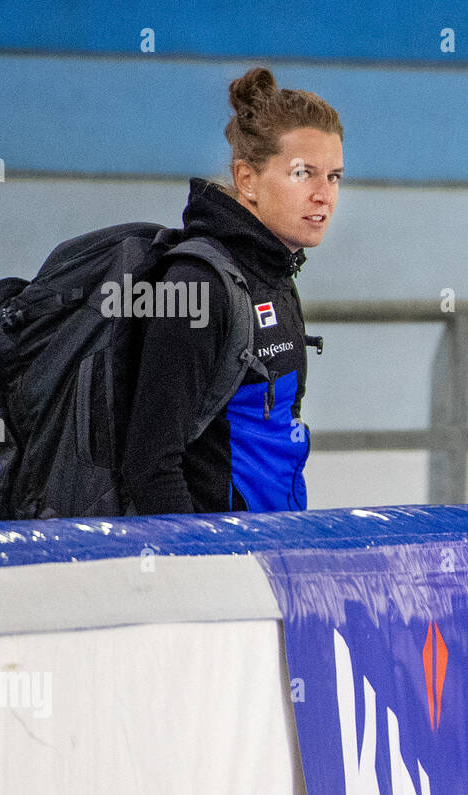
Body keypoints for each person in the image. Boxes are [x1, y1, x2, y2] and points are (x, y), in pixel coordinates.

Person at [122, 67, 343, 514]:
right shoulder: (197, 286)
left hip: (272, 553)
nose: (324, 194)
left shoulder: (275, 272)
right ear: (246, 180)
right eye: (304, 173)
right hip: (220, 564)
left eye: (334, 176)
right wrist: (202, 568)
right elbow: (150, 467)